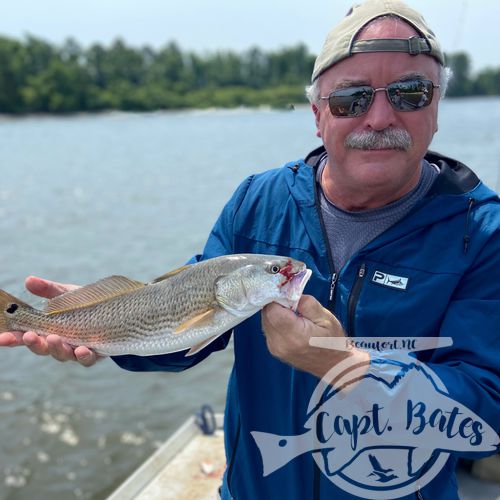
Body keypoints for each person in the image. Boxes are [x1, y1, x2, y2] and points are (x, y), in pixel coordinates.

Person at [1, 1, 499, 498]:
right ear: (318, 115)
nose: (380, 117)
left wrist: (345, 365)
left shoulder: (482, 235)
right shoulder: (259, 202)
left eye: (410, 93)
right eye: (352, 98)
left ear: (436, 108)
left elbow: (486, 410)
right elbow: (191, 330)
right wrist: (99, 326)